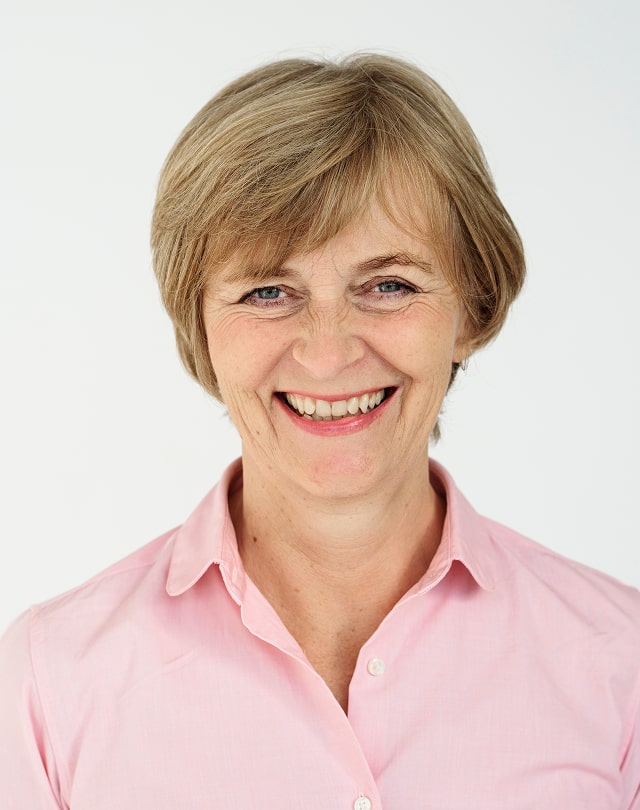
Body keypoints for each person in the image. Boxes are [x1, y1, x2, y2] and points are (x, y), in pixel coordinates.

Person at [0, 53, 638, 809]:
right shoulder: (49, 684)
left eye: (389, 285)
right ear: (200, 327)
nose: (328, 353)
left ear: (471, 311)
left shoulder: (621, 666)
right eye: (268, 292)